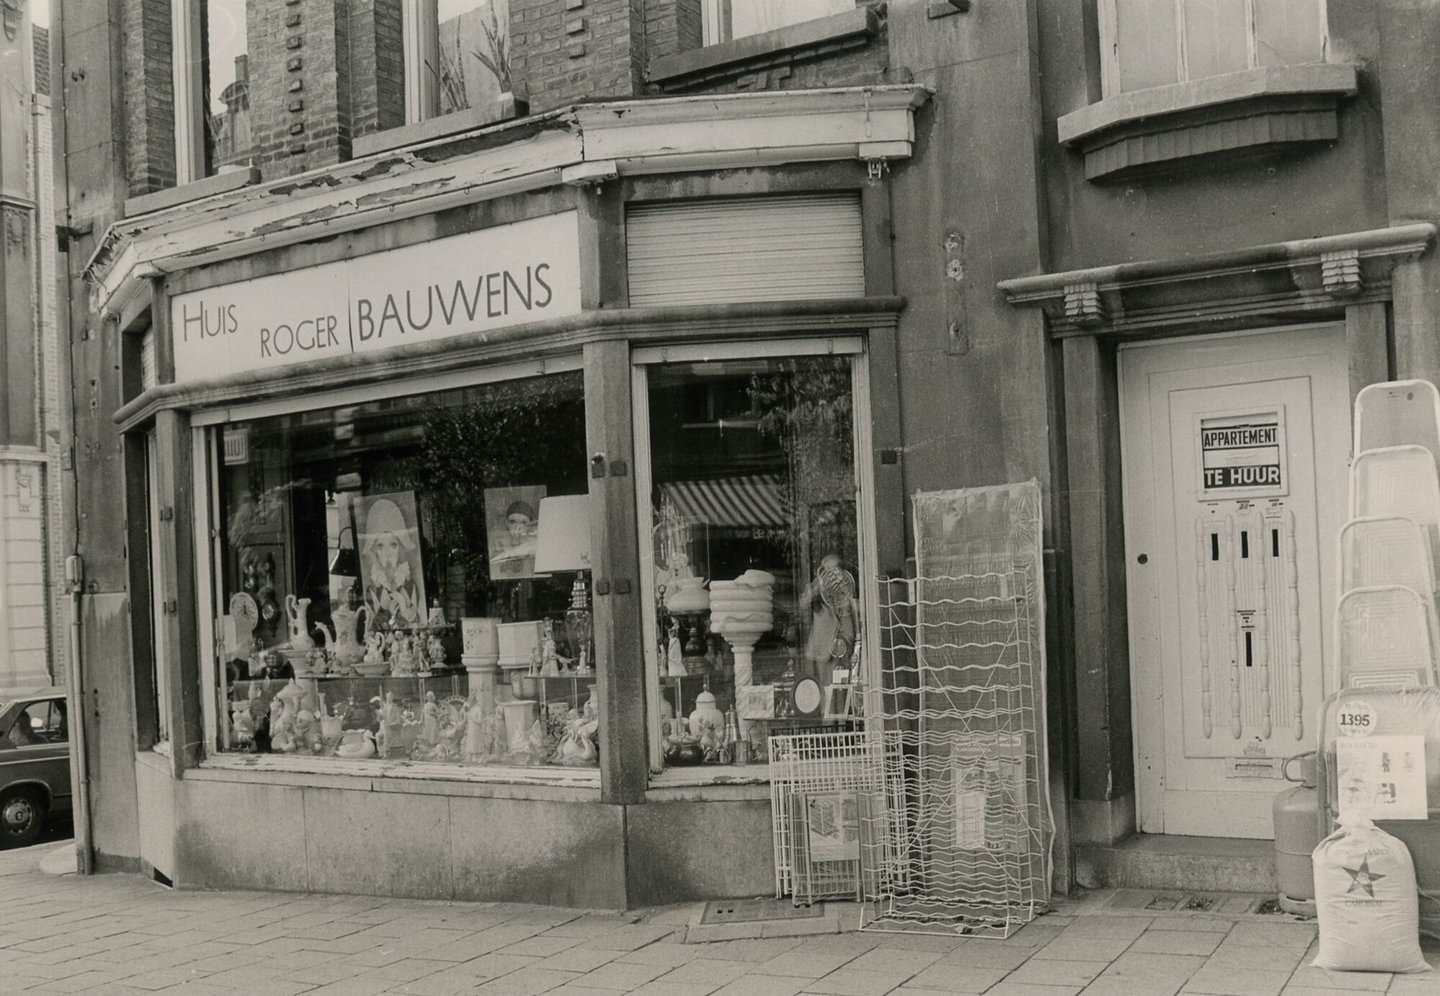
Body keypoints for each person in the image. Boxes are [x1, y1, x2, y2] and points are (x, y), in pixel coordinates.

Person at [362, 497, 422, 628]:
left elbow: (417, 624)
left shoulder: (410, 586)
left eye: (393, 545)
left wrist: (406, 608)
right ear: (374, 550)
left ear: (400, 548)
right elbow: (371, 627)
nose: (387, 554)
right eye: (380, 546)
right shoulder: (372, 590)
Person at [491, 499, 538, 578]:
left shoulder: (535, 548)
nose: (517, 527)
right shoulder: (497, 546)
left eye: (523, 522)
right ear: (507, 523)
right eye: (513, 522)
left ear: (530, 526)